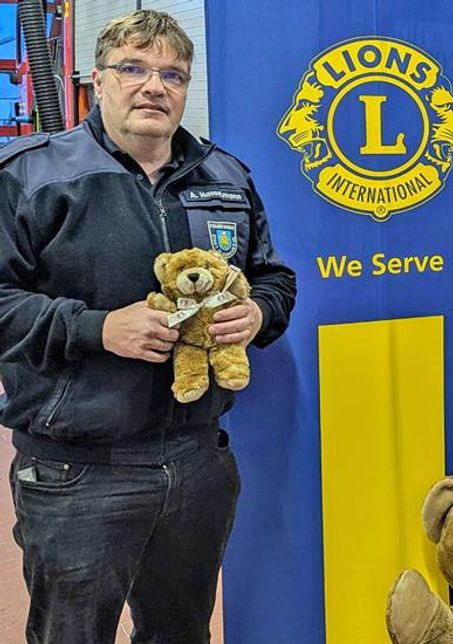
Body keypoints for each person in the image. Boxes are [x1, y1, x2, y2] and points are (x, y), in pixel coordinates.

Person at [0, 10, 296, 644]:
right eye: (133, 69)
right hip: (78, 471)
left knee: (180, 633)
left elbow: (273, 278)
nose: (153, 86)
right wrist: (96, 329)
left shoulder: (226, 177)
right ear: (97, 81)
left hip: (196, 462)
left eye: (172, 74)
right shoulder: (30, 176)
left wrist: (260, 312)